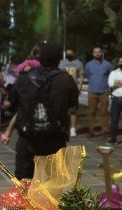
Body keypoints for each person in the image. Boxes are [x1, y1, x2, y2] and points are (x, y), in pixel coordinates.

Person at [9, 43, 79, 179]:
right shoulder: (65, 80)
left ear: (39, 58)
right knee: (53, 182)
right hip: (54, 136)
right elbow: (73, 104)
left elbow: (13, 102)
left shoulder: (24, 78)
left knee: (23, 181)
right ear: (59, 60)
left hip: (28, 136)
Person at [84, 47, 112, 138]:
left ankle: (105, 131)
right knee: (92, 112)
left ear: (101, 53)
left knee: (104, 112)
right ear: (93, 54)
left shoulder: (108, 65)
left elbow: (110, 76)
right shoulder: (88, 65)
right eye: (95, 52)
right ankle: (91, 131)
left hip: (104, 91)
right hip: (92, 91)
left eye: (99, 52)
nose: (97, 54)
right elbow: (88, 76)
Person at [59, 49, 83, 137]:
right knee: (63, 110)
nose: (69, 54)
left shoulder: (78, 63)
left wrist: (79, 89)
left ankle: (72, 128)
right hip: (63, 89)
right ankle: (64, 127)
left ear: (74, 53)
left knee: (73, 110)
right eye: (67, 53)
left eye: (71, 53)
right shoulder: (61, 63)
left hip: (73, 89)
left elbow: (81, 77)